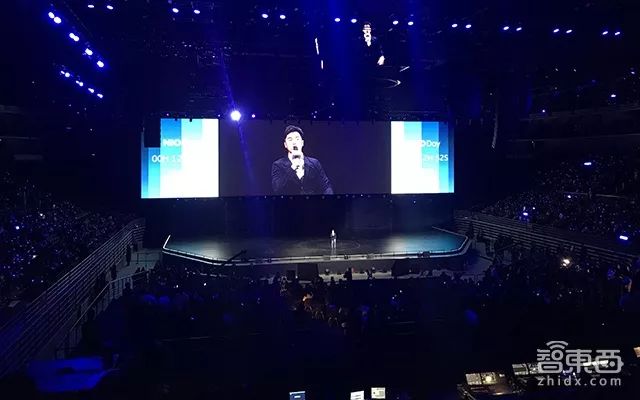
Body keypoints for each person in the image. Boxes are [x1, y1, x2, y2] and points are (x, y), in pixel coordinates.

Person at [271, 125, 333, 195]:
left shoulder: (314, 163)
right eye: (290, 139)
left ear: (302, 143)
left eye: (297, 139)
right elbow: (277, 188)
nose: (294, 142)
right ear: (285, 144)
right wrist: (292, 168)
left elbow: (326, 186)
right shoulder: (278, 165)